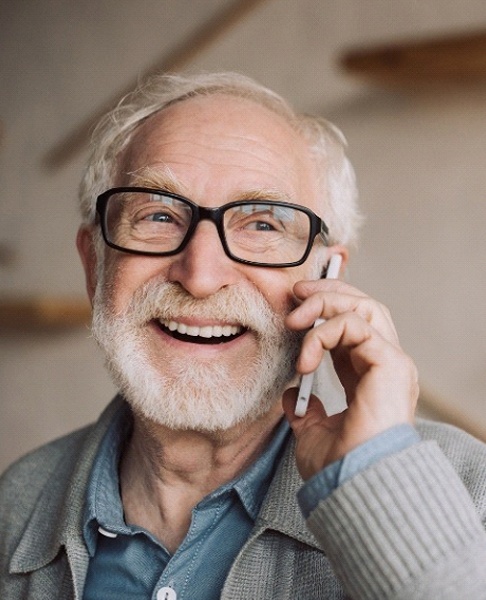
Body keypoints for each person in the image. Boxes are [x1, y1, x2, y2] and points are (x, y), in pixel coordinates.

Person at [1, 72, 486, 600]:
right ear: (96, 264)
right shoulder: (14, 504)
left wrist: (380, 490)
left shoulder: (472, 490)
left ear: (328, 277)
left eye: (263, 225)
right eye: (158, 215)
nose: (202, 275)